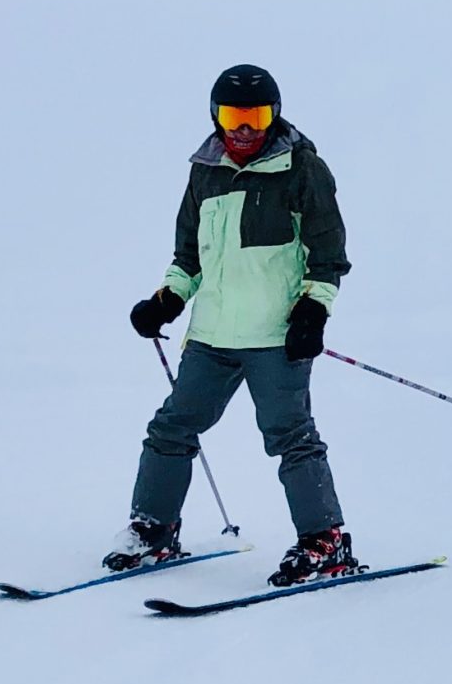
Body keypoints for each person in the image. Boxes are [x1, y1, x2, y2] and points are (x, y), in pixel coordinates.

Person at [108, 64, 355, 586]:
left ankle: (324, 541)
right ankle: (152, 530)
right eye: (233, 117)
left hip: (276, 337)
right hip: (213, 335)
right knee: (171, 429)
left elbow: (328, 254)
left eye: (257, 117)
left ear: (274, 116)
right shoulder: (205, 172)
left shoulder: (303, 170)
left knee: (291, 436)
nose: (245, 130)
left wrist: (314, 310)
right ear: (216, 117)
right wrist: (167, 300)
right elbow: (189, 255)